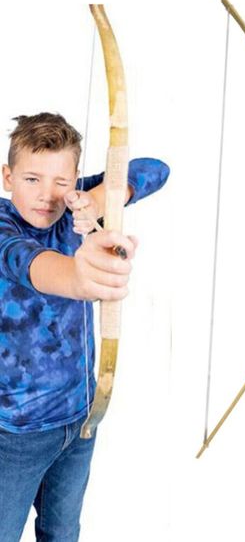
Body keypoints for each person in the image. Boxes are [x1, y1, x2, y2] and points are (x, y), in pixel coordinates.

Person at [0, 112, 169, 541]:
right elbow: (32, 263)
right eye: (32, 179)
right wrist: (80, 276)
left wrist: (100, 200)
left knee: (62, 533)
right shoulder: (3, 227)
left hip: (80, 420)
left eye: (61, 181)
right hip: (16, 433)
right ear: (8, 177)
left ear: (74, 180)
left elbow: (156, 169)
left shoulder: (74, 203)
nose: (47, 195)